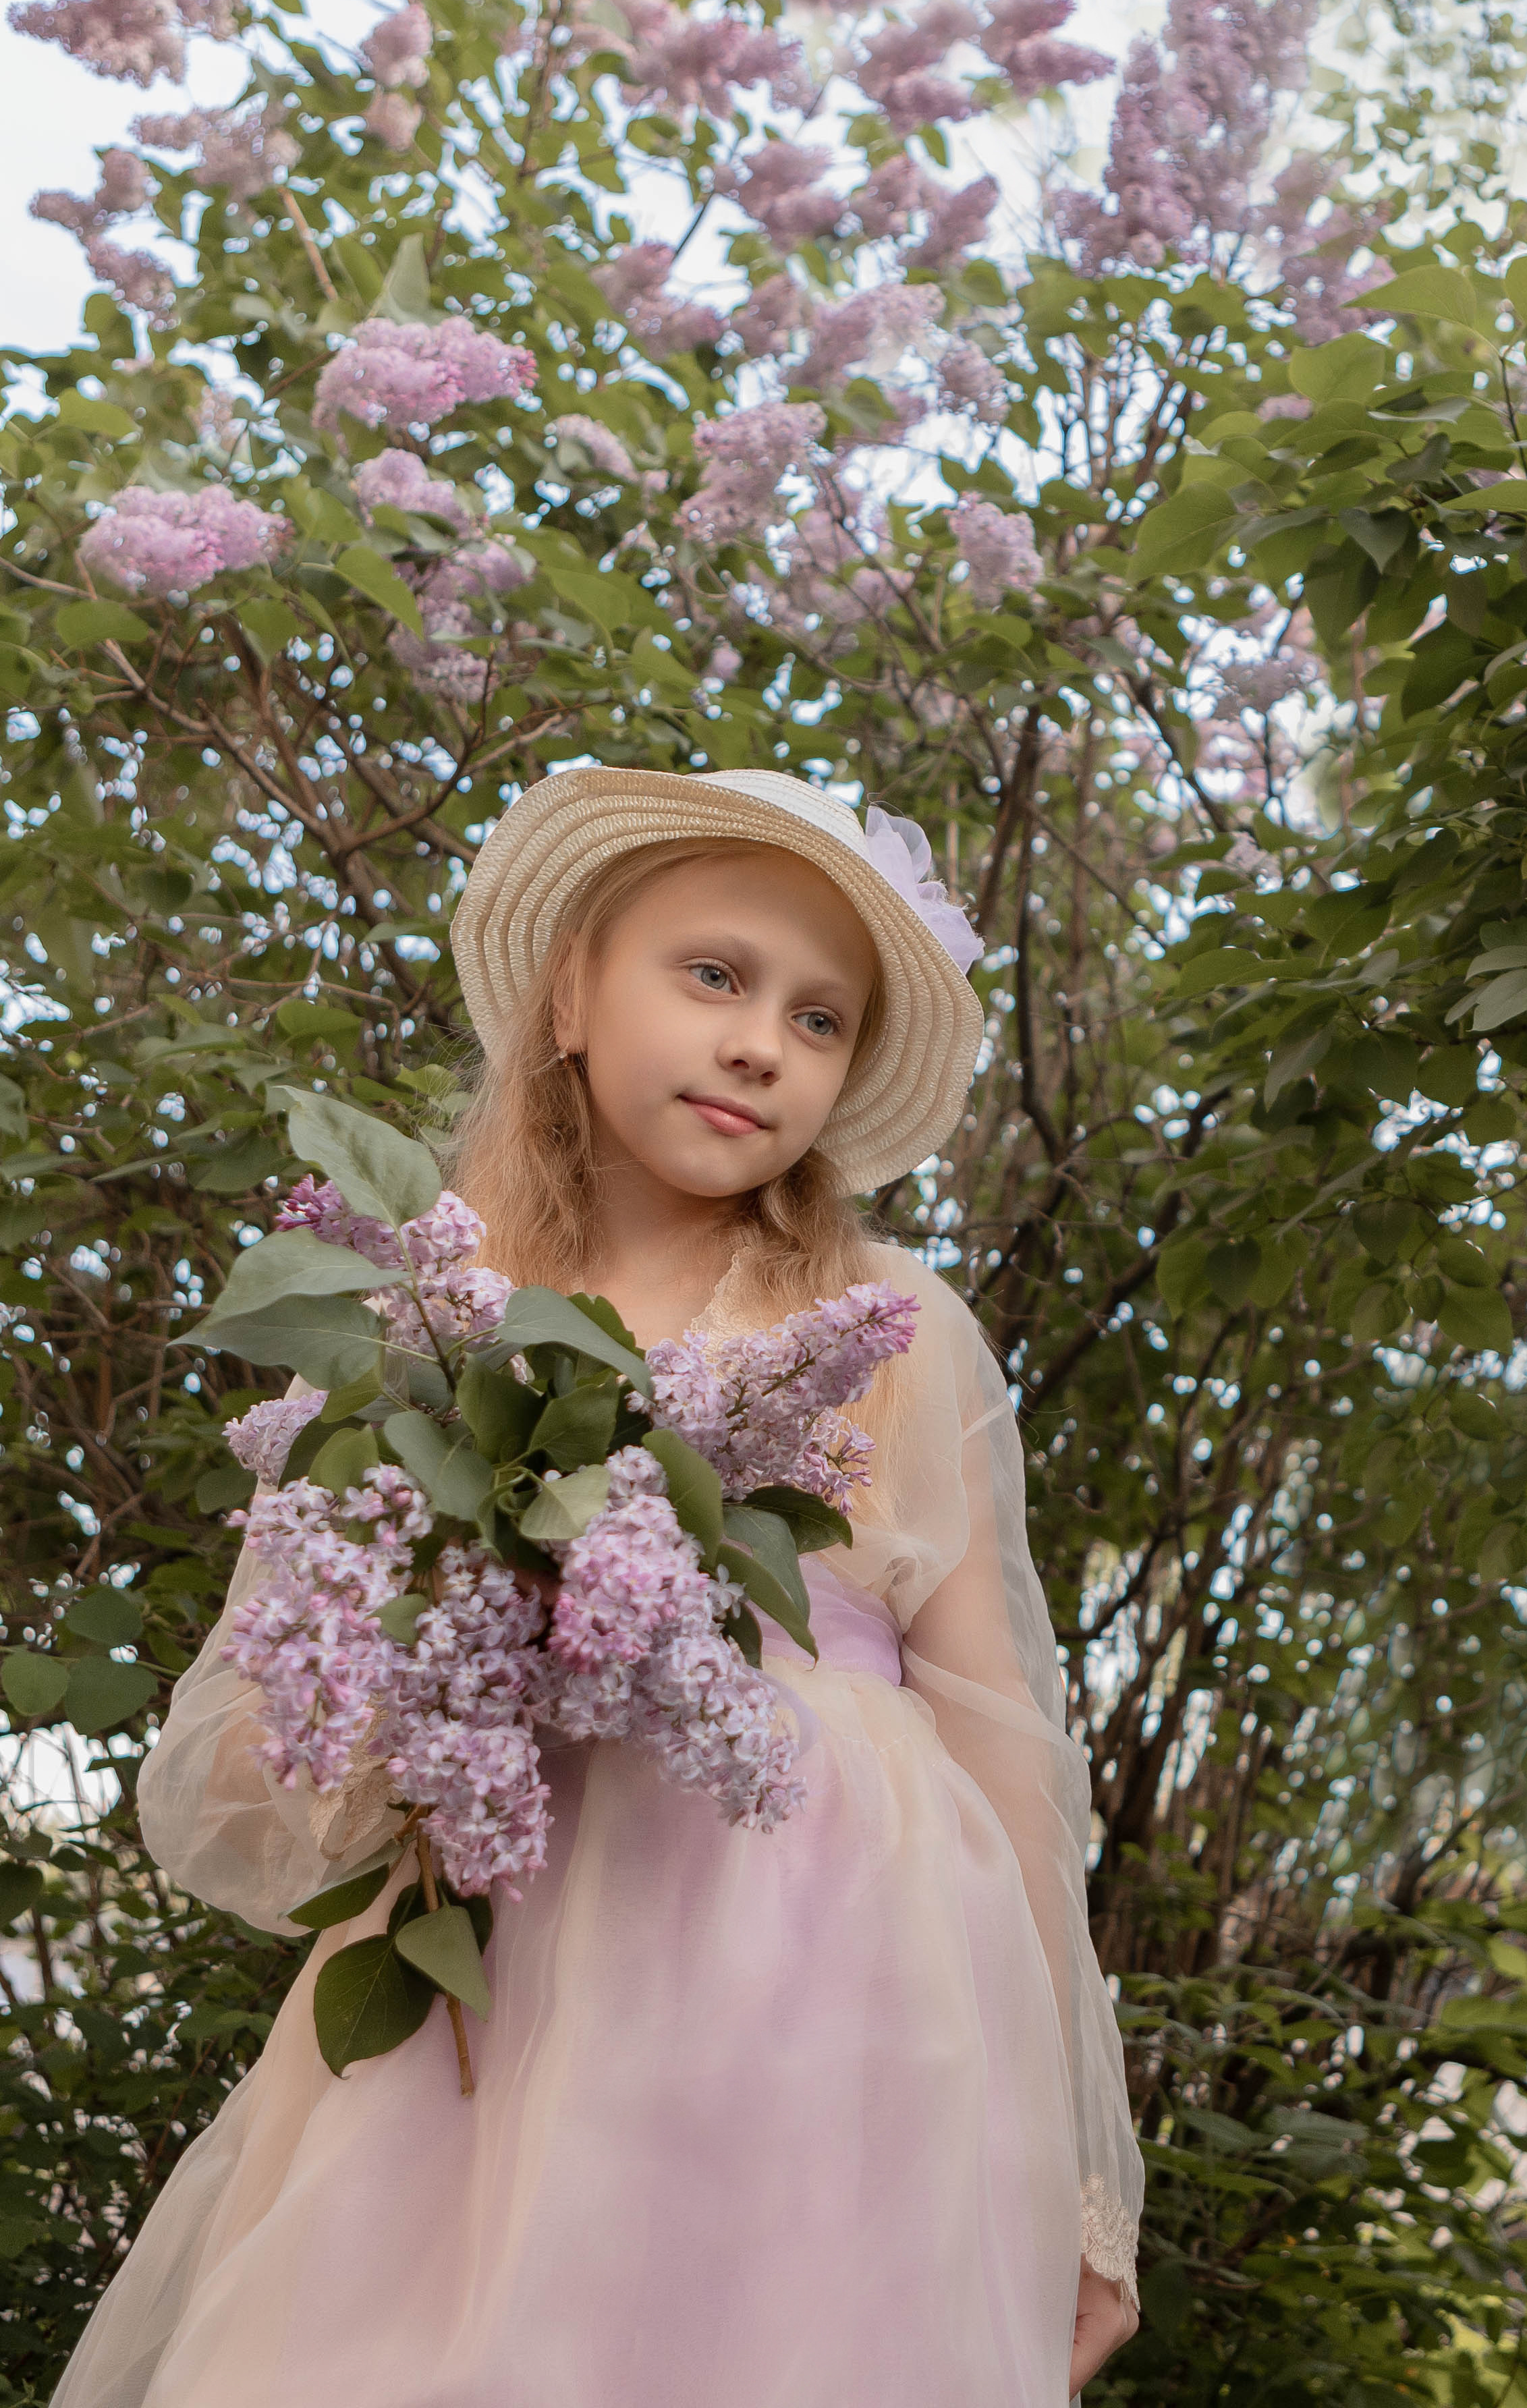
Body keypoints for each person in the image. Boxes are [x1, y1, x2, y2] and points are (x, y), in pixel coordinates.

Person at [53, 767, 1143, 2408]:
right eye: (712, 974)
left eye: (821, 1018)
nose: (761, 1043)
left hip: (844, 2041)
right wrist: (433, 1665)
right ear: (570, 995)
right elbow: (263, 1751)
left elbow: (1008, 1752)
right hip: (494, 2018)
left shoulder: (887, 1331)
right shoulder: (420, 1333)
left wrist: (1078, 2175)